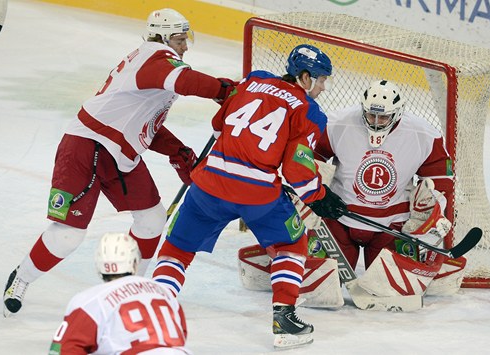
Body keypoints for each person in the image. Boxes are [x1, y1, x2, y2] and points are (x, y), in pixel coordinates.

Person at [3, 8, 236, 317]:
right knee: (69, 233)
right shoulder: (154, 59)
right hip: (86, 147)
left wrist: (176, 150)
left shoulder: (156, 64)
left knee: (152, 220)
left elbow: (142, 122)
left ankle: (126, 289)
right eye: (181, 39)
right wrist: (226, 90)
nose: (186, 46)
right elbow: (188, 82)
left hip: (119, 154)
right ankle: (20, 279)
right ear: (164, 38)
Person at [151, 44, 347, 349]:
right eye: (321, 79)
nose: (323, 86)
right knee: (291, 244)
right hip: (257, 194)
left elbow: (218, 127)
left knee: (178, 246)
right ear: (305, 77)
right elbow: (297, 169)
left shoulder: (253, 80)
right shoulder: (308, 110)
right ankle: (284, 320)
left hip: (208, 185)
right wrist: (319, 196)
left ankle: (154, 310)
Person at [311, 79, 465, 297]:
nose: (375, 122)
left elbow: (440, 180)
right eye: (370, 115)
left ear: (398, 113)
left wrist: (434, 212)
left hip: (391, 226)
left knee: (388, 291)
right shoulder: (338, 123)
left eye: (383, 117)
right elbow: (309, 158)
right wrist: (315, 193)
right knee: (321, 286)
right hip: (339, 218)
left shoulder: (424, 135)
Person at [48, 233, 191, 354]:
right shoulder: (163, 292)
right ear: (135, 262)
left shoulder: (90, 300)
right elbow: (181, 335)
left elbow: (65, 349)